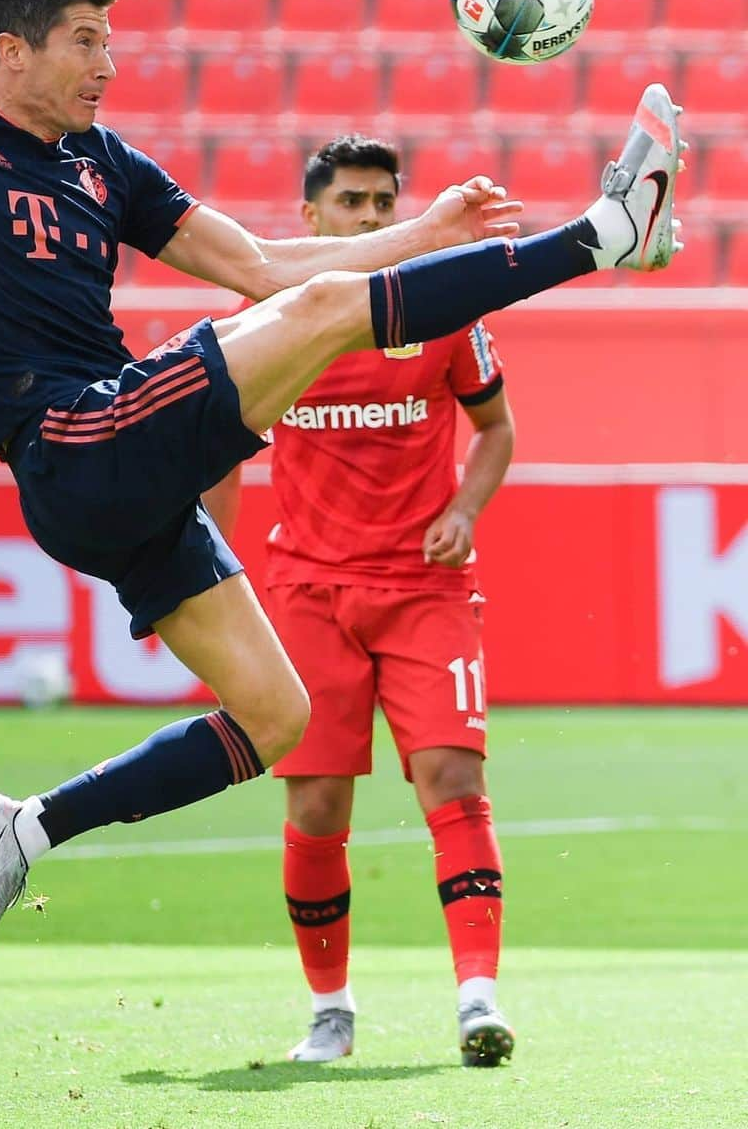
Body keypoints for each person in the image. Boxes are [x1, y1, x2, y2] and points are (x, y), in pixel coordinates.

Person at [0, 0, 684, 992]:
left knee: (278, 716)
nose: (108, 65)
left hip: (114, 473)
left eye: (111, 42)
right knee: (317, 326)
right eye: (85, 42)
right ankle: (601, 234)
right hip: (75, 435)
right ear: (12, 48)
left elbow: (264, 265)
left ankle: (28, 827)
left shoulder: (103, 164)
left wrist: (423, 232)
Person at [205, 136, 516, 1067]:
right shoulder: (268, 315)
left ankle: (477, 999)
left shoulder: (445, 305)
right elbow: (218, 453)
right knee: (316, 806)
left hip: (426, 585)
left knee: (455, 783)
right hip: (306, 589)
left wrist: (465, 506)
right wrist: (207, 576)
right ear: (311, 219)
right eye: (351, 203)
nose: (373, 219)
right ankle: (331, 1011)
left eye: (385, 202)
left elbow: (495, 428)